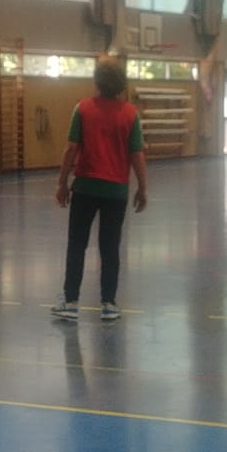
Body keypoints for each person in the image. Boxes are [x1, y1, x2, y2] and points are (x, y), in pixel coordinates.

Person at [52, 56, 148, 323]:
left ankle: (70, 302)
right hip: (116, 192)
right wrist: (142, 187)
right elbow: (137, 154)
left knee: (77, 245)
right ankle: (109, 304)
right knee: (110, 247)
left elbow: (71, 148)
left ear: (97, 82)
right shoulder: (130, 114)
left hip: (85, 188)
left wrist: (61, 182)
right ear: (121, 84)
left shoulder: (82, 109)